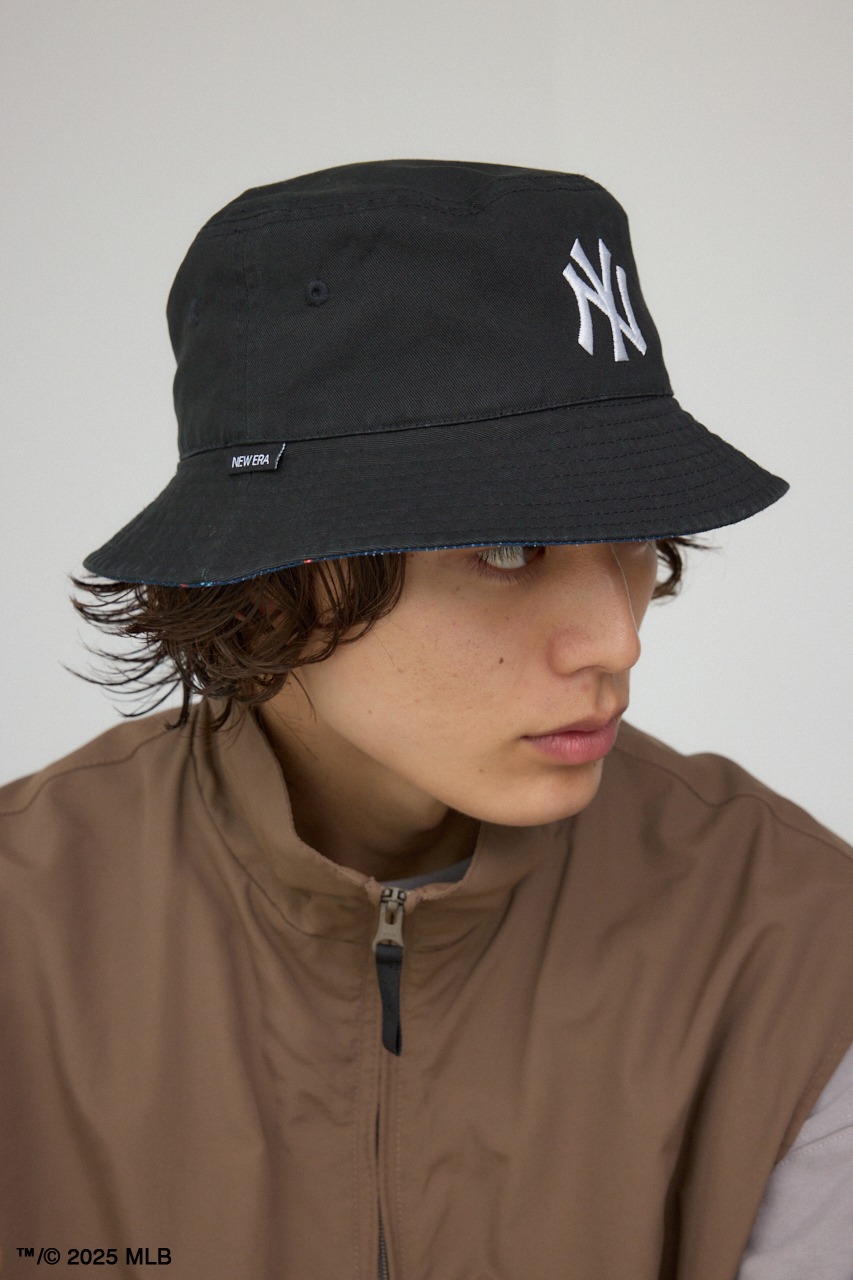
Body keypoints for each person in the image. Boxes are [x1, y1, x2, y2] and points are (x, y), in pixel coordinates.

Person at [1, 160, 852, 1280]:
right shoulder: (25, 936)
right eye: (507, 548)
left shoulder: (792, 936)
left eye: (635, 535)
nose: (616, 638)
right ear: (274, 581)